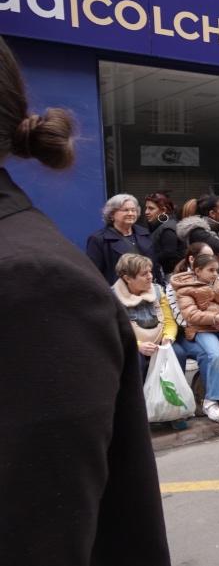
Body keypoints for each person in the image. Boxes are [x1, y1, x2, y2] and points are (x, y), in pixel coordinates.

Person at [0, 36, 170, 565]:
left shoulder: (33, 280)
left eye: (136, 213)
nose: (132, 218)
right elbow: (105, 277)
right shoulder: (89, 250)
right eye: (126, 212)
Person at [171, 253, 219, 423]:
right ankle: (212, 400)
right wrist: (215, 318)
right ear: (197, 270)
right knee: (215, 355)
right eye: (211, 270)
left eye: (217, 270)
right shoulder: (185, 288)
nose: (215, 273)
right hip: (202, 330)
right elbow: (190, 314)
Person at [112, 253, 182, 377]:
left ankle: (171, 395)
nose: (150, 277)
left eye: (150, 272)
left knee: (179, 353)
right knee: (136, 360)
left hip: (159, 342)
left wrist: (168, 338)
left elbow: (169, 320)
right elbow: (114, 332)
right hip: (131, 345)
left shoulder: (157, 290)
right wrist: (138, 346)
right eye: (144, 274)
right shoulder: (112, 297)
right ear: (127, 278)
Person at [87, 193, 164, 285]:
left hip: (148, 291)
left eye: (133, 210)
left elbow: (155, 266)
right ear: (111, 214)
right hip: (119, 293)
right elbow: (95, 273)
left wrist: (160, 287)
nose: (130, 213)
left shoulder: (145, 234)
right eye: (125, 210)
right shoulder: (99, 239)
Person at [144, 191, 184, 276]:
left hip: (172, 278)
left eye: (151, 208)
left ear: (163, 210)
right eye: (146, 208)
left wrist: (146, 260)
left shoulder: (168, 228)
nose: (146, 212)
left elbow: (169, 253)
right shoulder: (162, 226)